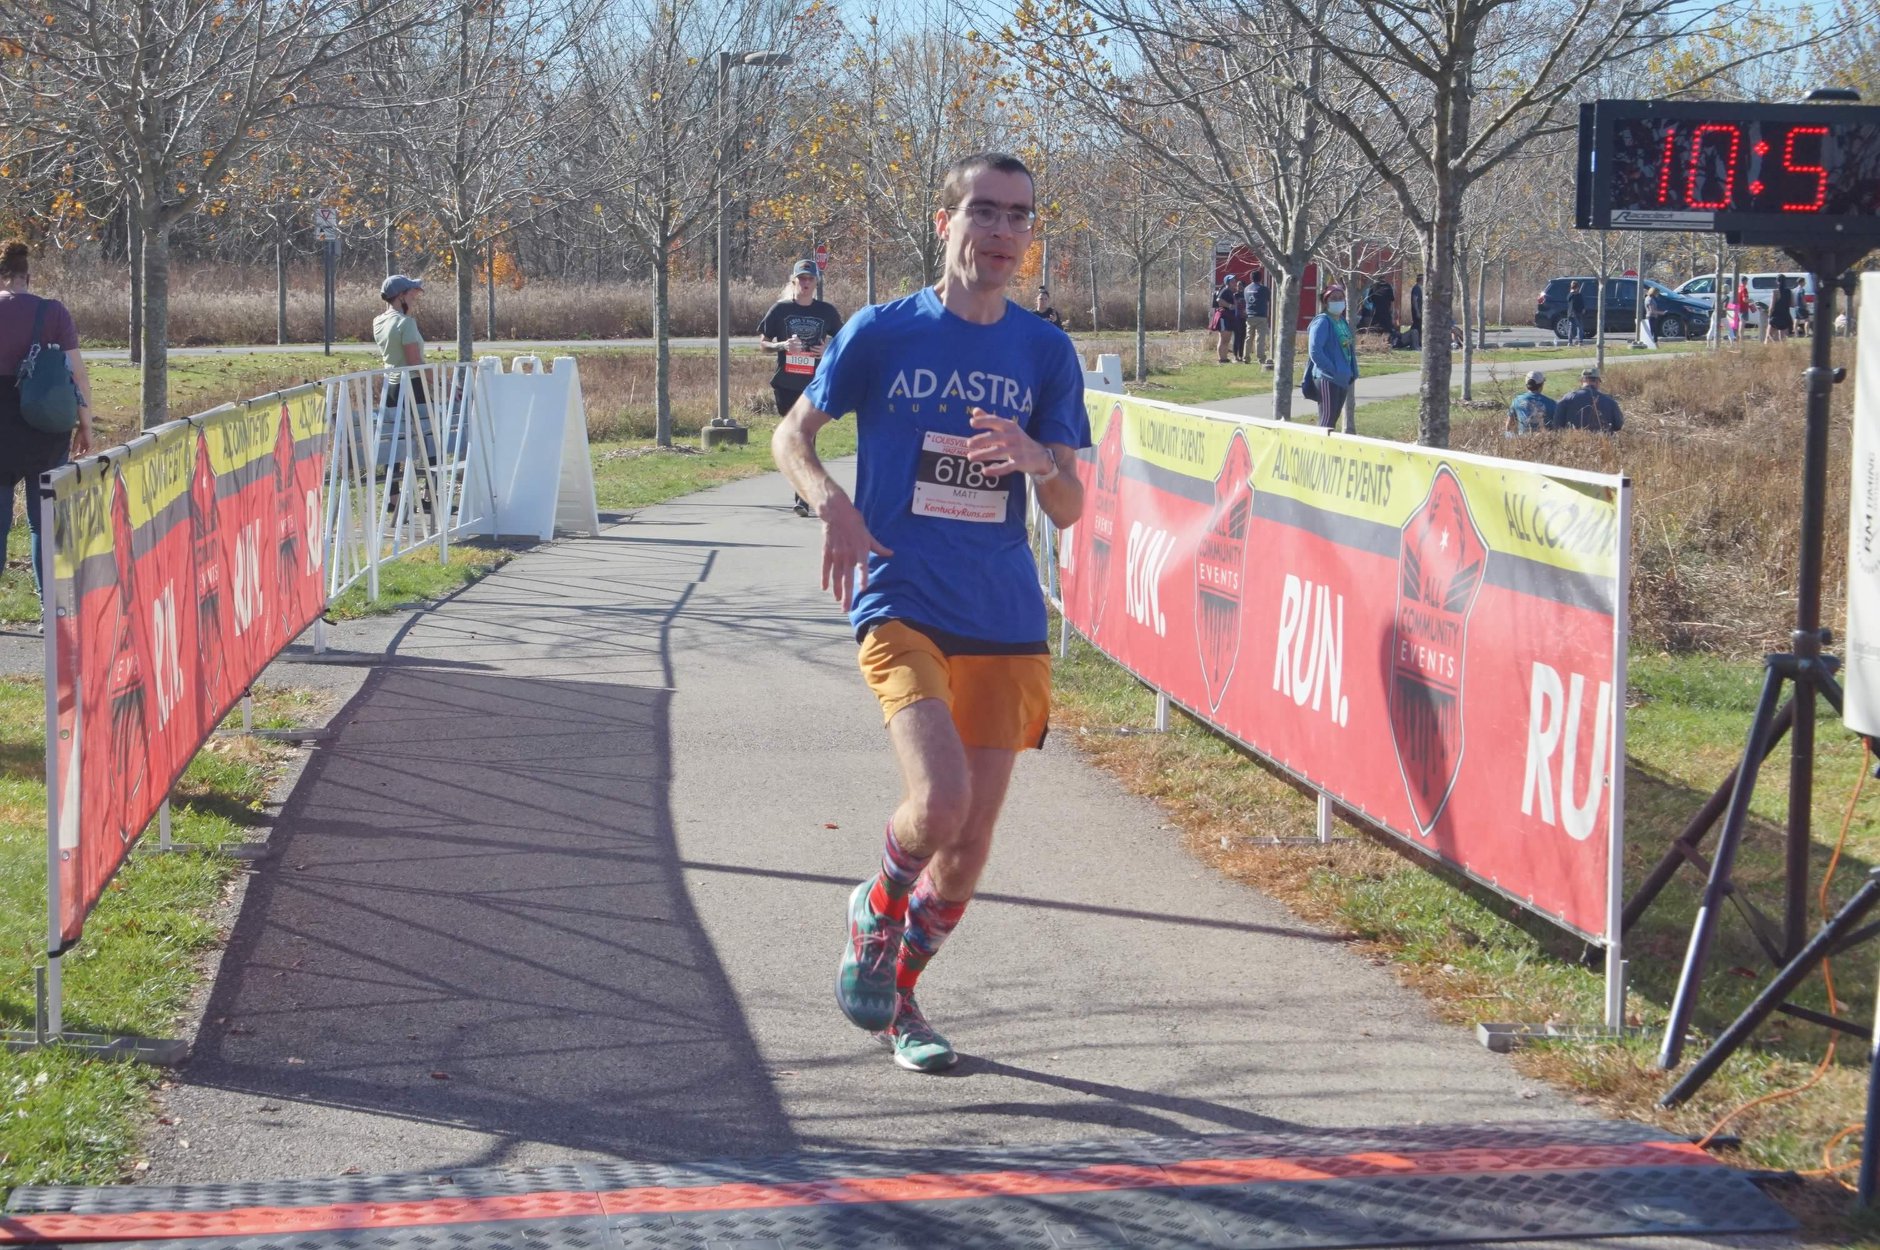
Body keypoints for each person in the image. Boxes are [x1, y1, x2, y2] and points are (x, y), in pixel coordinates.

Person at [771, 151, 1089, 1073]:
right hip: (900, 595)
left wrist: (1038, 458)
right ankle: (876, 904)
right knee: (940, 802)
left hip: (1002, 611)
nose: (1001, 233)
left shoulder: (1043, 350)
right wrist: (831, 501)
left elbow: (1070, 507)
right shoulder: (882, 331)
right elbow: (793, 435)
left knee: (971, 847)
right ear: (945, 220)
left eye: (1019, 218)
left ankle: (902, 995)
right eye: (984, 213)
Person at [0, 239, 92, 609]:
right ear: (27, 275)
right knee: (43, 524)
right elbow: (77, 373)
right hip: (45, 427)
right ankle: (48, 607)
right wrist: (85, 423)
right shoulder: (52, 312)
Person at [759, 260, 845, 516]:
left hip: (813, 385)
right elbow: (763, 343)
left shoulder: (826, 312)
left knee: (805, 437)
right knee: (793, 438)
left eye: (810, 279)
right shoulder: (780, 310)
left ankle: (803, 498)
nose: (806, 283)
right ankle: (803, 491)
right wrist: (782, 346)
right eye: (802, 279)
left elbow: (843, 342)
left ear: (816, 283)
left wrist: (828, 349)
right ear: (793, 281)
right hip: (785, 383)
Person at [1307, 284, 1358, 432]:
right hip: (1327, 378)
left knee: (1333, 421)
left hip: (1342, 378)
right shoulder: (1322, 321)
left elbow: (1348, 349)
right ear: (1325, 302)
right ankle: (1319, 451)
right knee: (1326, 421)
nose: (1338, 301)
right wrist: (1332, 369)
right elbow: (1315, 350)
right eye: (1334, 298)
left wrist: (1352, 371)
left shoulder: (1342, 322)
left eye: (1341, 298)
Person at [1553, 367, 1623, 433]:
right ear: (1597, 381)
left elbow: (1557, 424)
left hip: (1575, 442)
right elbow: (1618, 425)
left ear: (1581, 381)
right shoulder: (1610, 401)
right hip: (1603, 443)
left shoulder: (1568, 398)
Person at [1506, 370, 1555, 436]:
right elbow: (1558, 426)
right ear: (1541, 385)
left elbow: (1508, 426)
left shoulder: (1517, 401)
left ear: (1526, 385)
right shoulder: (1551, 403)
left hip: (1523, 441)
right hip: (1544, 439)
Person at [1245, 269, 1271, 367]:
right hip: (1261, 316)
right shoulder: (1264, 289)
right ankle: (1261, 358)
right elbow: (1269, 300)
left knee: (1248, 337)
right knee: (1260, 338)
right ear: (1260, 278)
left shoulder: (1246, 289)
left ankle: (1246, 357)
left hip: (1249, 315)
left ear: (1251, 278)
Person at [1211, 276, 1237, 363]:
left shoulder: (1230, 291)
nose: (1235, 282)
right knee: (1223, 339)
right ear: (1228, 282)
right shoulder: (1225, 290)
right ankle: (1222, 359)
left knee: (1227, 339)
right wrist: (1230, 306)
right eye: (1233, 281)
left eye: (1235, 281)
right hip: (1224, 317)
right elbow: (1219, 300)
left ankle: (1224, 358)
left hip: (1228, 317)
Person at [1368, 276, 1395, 341]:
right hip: (1386, 311)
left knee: (1374, 328)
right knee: (1387, 328)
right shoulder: (1388, 286)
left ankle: (1375, 341)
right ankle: (1386, 341)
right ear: (1384, 279)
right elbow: (1392, 299)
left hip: (1376, 311)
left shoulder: (1373, 286)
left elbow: (1369, 299)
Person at [1768, 277, 1794, 343]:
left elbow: (1772, 306)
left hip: (1776, 316)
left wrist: (1769, 315)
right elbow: (1792, 304)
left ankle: (1776, 346)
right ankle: (1783, 350)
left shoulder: (1775, 292)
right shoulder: (1789, 291)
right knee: (1782, 337)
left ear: (1777, 282)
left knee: (1769, 334)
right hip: (1786, 316)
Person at [1564, 281, 1586, 347]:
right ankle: (1580, 342)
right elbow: (1581, 304)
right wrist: (1583, 309)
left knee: (1572, 328)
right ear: (1577, 287)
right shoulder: (1578, 295)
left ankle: (1570, 342)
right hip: (1577, 313)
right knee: (1580, 327)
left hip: (1571, 313)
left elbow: (1568, 299)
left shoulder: (1570, 295)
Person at [1409, 273, 1424, 348]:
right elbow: (1414, 300)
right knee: (1416, 327)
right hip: (1417, 311)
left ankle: (1417, 342)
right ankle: (1414, 343)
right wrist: (1417, 312)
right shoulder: (1416, 288)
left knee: (1418, 327)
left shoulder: (1420, 288)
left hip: (1420, 311)